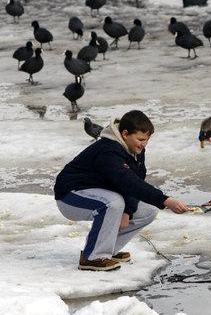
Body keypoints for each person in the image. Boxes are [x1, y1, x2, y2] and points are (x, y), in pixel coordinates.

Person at [54, 110, 190, 271]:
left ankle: (107, 251)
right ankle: (92, 257)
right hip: (70, 196)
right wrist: (165, 200)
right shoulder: (108, 150)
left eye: (146, 140)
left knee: (148, 211)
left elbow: (135, 181)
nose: (143, 144)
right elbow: (126, 180)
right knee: (112, 203)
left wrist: (128, 211)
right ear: (125, 134)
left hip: (98, 193)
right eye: (140, 139)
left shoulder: (135, 151)